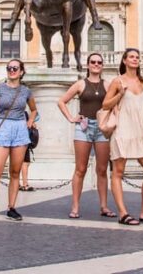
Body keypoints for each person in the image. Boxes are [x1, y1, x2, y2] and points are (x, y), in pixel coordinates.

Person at [102, 48, 143, 226]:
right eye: (132, 57)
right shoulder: (117, 81)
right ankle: (123, 213)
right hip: (122, 130)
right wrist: (120, 94)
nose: (135, 59)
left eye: (137, 57)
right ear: (125, 60)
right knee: (118, 172)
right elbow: (105, 104)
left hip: (140, 131)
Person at [57, 52, 116, 218]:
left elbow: (115, 102)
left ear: (102, 65)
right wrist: (71, 118)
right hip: (84, 127)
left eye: (99, 62)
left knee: (102, 169)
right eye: (93, 62)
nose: (96, 64)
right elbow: (61, 101)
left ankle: (104, 206)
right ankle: (75, 207)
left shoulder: (107, 84)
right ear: (88, 65)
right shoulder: (80, 84)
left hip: (102, 128)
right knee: (80, 169)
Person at [0, 59, 38, 224]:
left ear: (21, 72)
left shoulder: (26, 91)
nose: (12, 70)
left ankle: (11, 208)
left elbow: (34, 109)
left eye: (15, 68)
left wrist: (29, 122)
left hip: (19, 130)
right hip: (2, 127)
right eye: (9, 68)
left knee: (15, 172)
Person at [19, 110, 37, 192]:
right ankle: (24, 184)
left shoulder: (24, 113)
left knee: (23, 162)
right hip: (22, 140)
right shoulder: (23, 113)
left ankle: (20, 184)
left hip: (23, 140)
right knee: (25, 162)